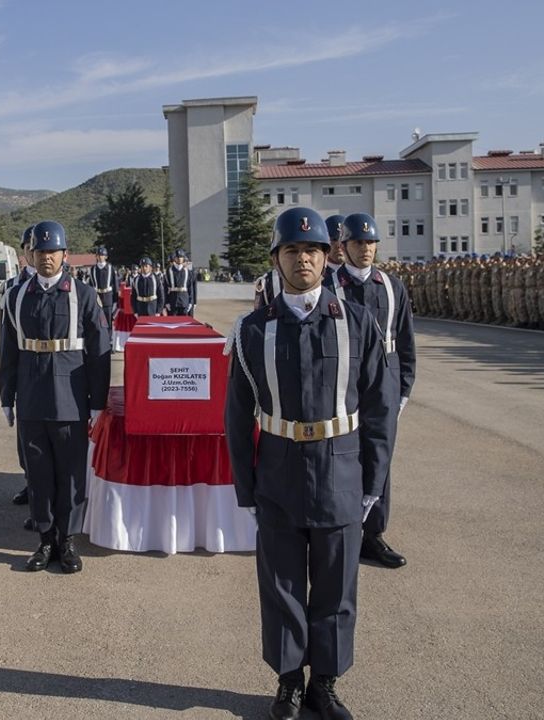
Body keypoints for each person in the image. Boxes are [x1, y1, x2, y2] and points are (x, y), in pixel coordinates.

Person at [226, 206, 394, 720]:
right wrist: (245, 488)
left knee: (336, 585)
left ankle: (324, 683)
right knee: (280, 586)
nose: (304, 259)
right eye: (293, 251)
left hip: (340, 471)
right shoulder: (254, 330)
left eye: (314, 251)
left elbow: (381, 407)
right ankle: (288, 683)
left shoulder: (358, 323)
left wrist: (373, 482)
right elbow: (236, 414)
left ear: (330, 257)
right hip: (277, 471)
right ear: (276, 259)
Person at [0, 221, 111, 573]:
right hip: (32, 397)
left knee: (71, 474)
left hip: (71, 399)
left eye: (53, 252)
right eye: (40, 252)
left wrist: (97, 402)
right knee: (39, 473)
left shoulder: (83, 294)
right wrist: (6, 396)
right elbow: (8, 351)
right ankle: (45, 541)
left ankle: (66, 541)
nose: (46, 258)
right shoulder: (16, 296)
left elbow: (100, 352)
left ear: (65, 254)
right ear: (30, 255)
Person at [335, 212, 415, 570]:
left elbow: (406, 342)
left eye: (370, 243)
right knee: (342, 457)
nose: (365, 249)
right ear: (343, 246)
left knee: (379, 459)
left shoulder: (391, 286)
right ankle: (342, 529)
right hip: (344, 385)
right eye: (357, 243)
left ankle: (373, 535)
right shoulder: (330, 286)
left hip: (384, 386)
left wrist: (403, 390)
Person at [5, 226, 37, 513]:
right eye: (28, 246)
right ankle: (30, 481)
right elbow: (6, 336)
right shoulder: (12, 287)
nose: (32, 251)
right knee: (25, 438)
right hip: (24, 367)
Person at [89, 246, 118, 321]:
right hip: (97, 298)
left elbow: (115, 284)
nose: (100, 257)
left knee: (108, 321)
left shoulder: (110, 268)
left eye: (102, 255)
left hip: (108, 298)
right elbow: (90, 285)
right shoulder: (93, 269)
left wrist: (115, 300)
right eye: (98, 255)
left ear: (106, 257)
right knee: (97, 321)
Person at [165, 249, 197, 316]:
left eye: (181, 257)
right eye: (177, 257)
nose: (179, 259)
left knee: (184, 324)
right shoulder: (169, 271)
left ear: (183, 258)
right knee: (172, 324)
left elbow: (190, 288)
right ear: (174, 258)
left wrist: (191, 302)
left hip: (184, 302)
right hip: (173, 301)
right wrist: (167, 302)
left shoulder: (187, 271)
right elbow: (166, 288)